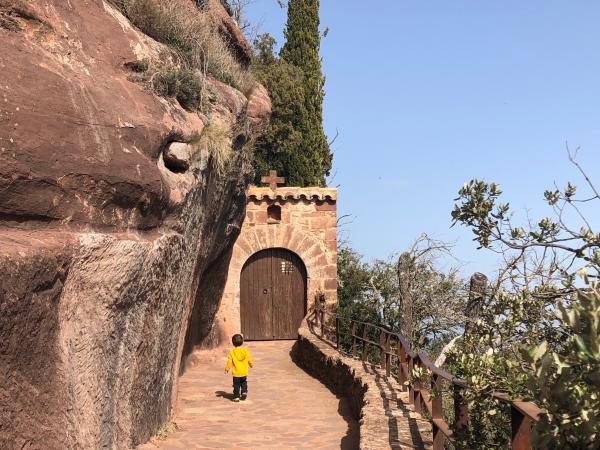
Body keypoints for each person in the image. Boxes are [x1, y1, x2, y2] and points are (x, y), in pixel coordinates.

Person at [224, 334, 254, 402]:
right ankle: (244, 391)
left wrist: (227, 369)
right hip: (244, 372)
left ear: (233, 343)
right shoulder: (245, 351)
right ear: (242, 342)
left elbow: (229, 362)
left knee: (236, 385)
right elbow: (249, 359)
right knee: (244, 382)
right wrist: (251, 364)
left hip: (236, 373)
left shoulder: (232, 352)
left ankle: (236, 397)